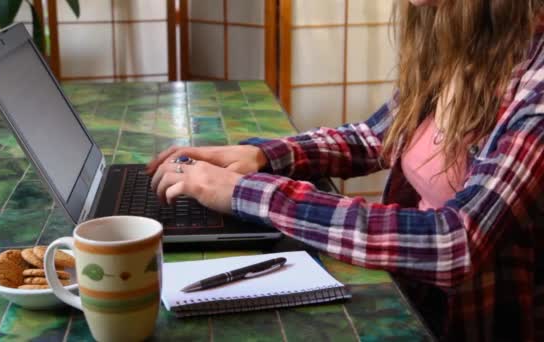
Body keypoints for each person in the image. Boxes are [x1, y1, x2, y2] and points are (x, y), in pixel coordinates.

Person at [147, 0, 544, 340]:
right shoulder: (457, 27)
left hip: (471, 321)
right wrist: (262, 157)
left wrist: (247, 192)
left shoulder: (536, 80)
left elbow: (455, 245)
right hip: (411, 291)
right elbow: (378, 137)